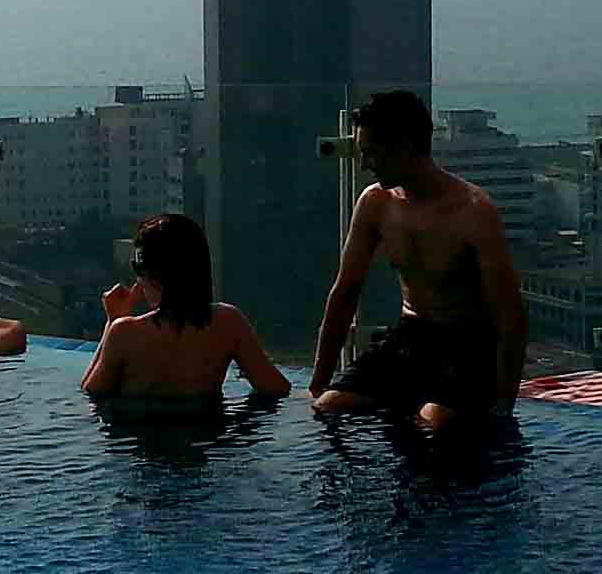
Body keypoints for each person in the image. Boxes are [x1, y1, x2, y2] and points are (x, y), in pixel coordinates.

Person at [308, 90, 526, 431]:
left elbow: (510, 313)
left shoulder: (473, 211)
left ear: (404, 146)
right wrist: (319, 381)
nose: (364, 164)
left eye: (370, 153)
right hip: (410, 336)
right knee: (331, 407)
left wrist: (503, 404)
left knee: (434, 422)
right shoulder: (376, 203)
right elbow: (346, 291)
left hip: (467, 343)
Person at [82, 213, 289, 403]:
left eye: (139, 267)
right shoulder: (229, 322)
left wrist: (113, 320)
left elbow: (91, 393)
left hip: (146, 439)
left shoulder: (125, 332)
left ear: (154, 275)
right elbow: (275, 387)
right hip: (211, 437)